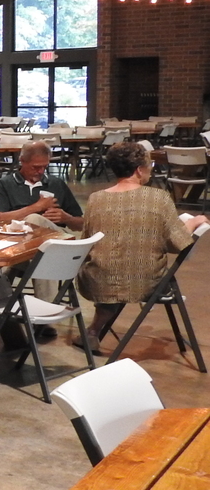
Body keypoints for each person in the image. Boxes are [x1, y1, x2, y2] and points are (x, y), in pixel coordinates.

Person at [75, 142, 208, 354]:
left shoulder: (95, 199)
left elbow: (88, 241)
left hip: (97, 281)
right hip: (143, 281)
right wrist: (193, 222)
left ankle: (93, 332)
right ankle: (93, 331)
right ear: (139, 170)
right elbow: (176, 244)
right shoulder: (158, 198)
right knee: (130, 268)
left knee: (113, 267)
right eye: (150, 165)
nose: (151, 169)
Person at [0, 140, 83, 230]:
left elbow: (81, 225)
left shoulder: (57, 184)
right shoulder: (5, 184)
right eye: (36, 167)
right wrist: (37, 207)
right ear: (22, 161)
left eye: (45, 167)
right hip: (17, 237)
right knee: (33, 219)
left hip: (54, 237)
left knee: (34, 220)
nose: (41, 171)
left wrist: (67, 219)